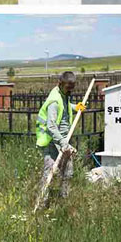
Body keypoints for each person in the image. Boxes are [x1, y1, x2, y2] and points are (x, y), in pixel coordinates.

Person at [36, 71, 86, 201]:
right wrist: (64, 144)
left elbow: (64, 107)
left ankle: (64, 201)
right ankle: (41, 203)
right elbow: (51, 126)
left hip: (63, 141)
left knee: (68, 173)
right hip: (52, 141)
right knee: (49, 174)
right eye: (68, 87)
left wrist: (75, 107)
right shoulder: (54, 101)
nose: (70, 90)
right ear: (60, 83)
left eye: (72, 87)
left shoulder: (63, 94)